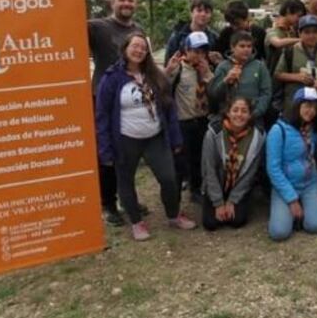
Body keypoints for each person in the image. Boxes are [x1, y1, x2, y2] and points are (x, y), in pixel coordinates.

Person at [95, 33, 185, 241]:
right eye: (135, 46)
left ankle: (173, 215)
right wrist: (105, 149)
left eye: (143, 48)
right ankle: (137, 222)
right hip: (126, 139)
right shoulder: (112, 78)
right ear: (125, 48)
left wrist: (176, 138)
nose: (139, 51)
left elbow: (169, 109)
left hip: (155, 137)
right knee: (125, 182)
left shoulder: (155, 75)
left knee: (169, 178)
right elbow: (102, 116)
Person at [87, 0, 143, 226]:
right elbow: (66, 25)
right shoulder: (97, 27)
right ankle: (108, 204)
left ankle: (127, 198)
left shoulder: (138, 30)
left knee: (128, 152)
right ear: (112, 2)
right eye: (122, 0)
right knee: (106, 152)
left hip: (130, 100)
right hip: (104, 99)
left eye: (130, 1)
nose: (126, 4)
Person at [266, 87, 317, 241]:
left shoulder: (314, 130)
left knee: (316, 226)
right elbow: (273, 169)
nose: (311, 111)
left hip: (309, 183)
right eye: (307, 105)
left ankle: (304, 210)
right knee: (279, 232)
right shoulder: (278, 130)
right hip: (286, 184)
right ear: (297, 105)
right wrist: (292, 199)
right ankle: (290, 209)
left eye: (314, 107)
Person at [164, 30, 212, 219]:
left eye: (203, 52)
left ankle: (196, 189)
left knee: (199, 158)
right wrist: (168, 72)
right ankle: (173, 204)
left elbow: (215, 91)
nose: (199, 55)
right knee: (181, 161)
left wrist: (207, 74)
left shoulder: (206, 69)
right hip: (183, 122)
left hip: (202, 120)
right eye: (195, 51)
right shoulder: (179, 68)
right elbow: (162, 88)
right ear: (186, 50)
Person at [200, 97, 265, 230]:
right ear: (228, 113)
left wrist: (233, 200)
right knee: (210, 223)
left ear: (250, 115)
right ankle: (214, 201)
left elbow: (250, 173)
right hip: (216, 184)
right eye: (235, 110)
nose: (239, 115)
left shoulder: (257, 137)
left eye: (244, 111)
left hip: (238, 186)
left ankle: (240, 201)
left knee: (237, 221)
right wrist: (218, 203)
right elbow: (209, 169)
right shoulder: (213, 134)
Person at [274, 14, 317, 119]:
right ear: (299, 33)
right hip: (294, 103)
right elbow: (278, 74)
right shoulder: (290, 52)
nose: (311, 36)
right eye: (307, 32)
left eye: (315, 32)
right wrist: (297, 77)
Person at [208, 32, 272, 122]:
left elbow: (266, 93)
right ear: (232, 47)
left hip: (253, 118)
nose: (246, 49)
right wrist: (226, 81)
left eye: (249, 46)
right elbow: (214, 95)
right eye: (242, 46)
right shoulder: (223, 67)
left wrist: (256, 113)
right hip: (228, 119)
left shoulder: (259, 66)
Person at [165, 0, 222, 67]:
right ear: (191, 13)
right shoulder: (177, 36)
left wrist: (219, 62)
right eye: (199, 10)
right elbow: (167, 64)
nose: (203, 14)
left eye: (207, 12)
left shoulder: (214, 38)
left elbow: (219, 67)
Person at [264, 0, 306, 70]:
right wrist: (302, 40)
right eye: (298, 16)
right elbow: (278, 43)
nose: (299, 19)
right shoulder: (273, 31)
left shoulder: (292, 31)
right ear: (288, 11)